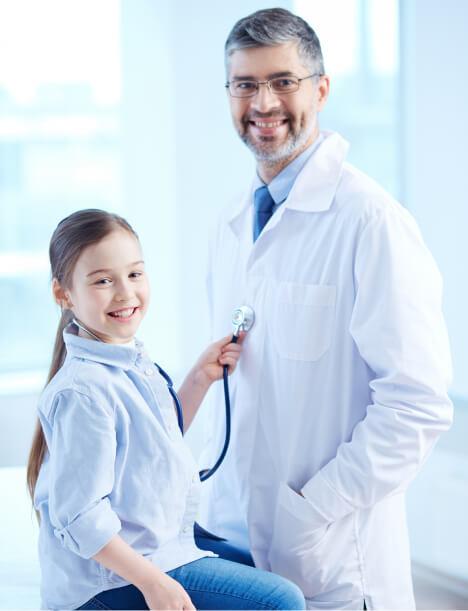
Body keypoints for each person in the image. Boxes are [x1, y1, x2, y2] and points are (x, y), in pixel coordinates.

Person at [197, 8, 453, 610]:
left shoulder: (371, 222)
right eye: (245, 84)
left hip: (330, 559)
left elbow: (416, 405)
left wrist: (311, 509)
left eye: (283, 81)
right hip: (229, 540)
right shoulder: (231, 221)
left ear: (322, 88)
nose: (263, 103)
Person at [26, 209, 306, 611]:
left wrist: (200, 378)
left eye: (134, 274)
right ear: (63, 295)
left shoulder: (129, 363)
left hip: (152, 551)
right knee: (281, 601)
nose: (125, 293)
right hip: (106, 584)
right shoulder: (83, 392)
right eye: (103, 280)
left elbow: (153, 442)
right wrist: (153, 583)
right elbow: (80, 518)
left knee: (260, 563)